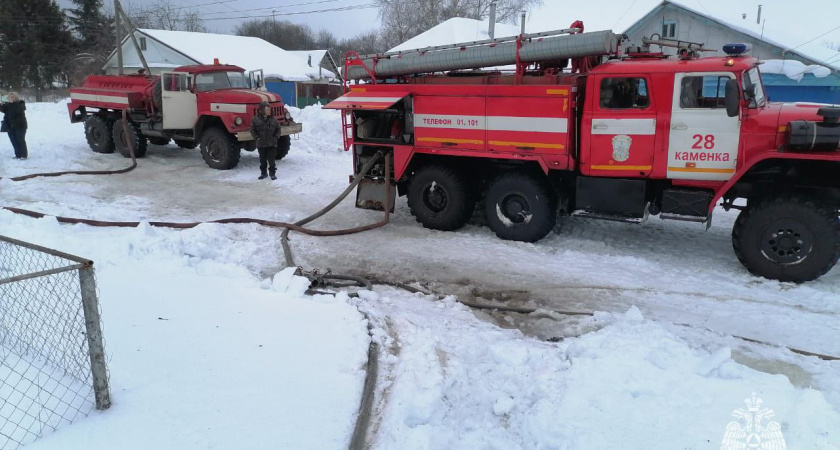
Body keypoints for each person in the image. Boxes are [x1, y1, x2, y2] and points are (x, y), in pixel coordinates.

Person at [250, 100, 281, 180]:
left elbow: (278, 129)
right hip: (261, 144)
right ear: (262, 110)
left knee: (271, 161)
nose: (269, 110)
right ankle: (263, 173)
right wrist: (257, 137)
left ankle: (272, 174)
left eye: (269, 109)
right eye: (267, 109)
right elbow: (252, 130)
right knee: (262, 160)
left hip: (272, 143)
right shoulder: (255, 120)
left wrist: (276, 137)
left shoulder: (274, 120)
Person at [1, 92, 28, 159]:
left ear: (16, 98)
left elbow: (17, 110)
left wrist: (11, 104)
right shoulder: (7, 105)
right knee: (14, 141)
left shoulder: (20, 104)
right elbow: (3, 109)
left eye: (12, 97)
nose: (11, 98)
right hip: (10, 126)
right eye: (9, 97)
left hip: (20, 126)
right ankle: (18, 155)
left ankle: (23, 155)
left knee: (20, 140)